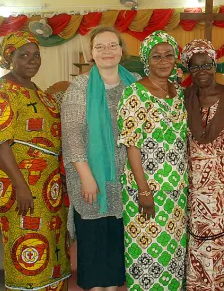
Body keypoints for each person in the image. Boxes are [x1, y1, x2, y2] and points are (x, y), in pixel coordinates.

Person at [0, 31, 70, 290]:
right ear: (10, 58)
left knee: (52, 240)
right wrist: (20, 185)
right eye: (24, 55)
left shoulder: (38, 91)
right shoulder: (0, 91)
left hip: (49, 183)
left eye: (36, 55)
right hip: (21, 180)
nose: (32, 60)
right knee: (27, 239)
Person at [61, 26, 138, 291]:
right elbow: (72, 137)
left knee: (119, 244)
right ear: (91, 53)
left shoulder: (137, 83)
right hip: (91, 180)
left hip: (129, 180)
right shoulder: (80, 86)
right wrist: (87, 178)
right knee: (94, 242)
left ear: (121, 50)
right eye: (100, 47)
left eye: (112, 45)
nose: (107, 51)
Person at [117, 30, 188, 290]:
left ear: (175, 58)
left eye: (168, 55)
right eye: (156, 56)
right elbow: (131, 145)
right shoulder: (134, 93)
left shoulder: (178, 92)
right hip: (147, 188)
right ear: (146, 59)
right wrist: (144, 190)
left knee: (173, 254)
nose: (163, 60)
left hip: (177, 190)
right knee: (147, 254)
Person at [181, 39, 224, 291]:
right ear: (189, 71)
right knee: (196, 240)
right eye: (195, 67)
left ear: (214, 65)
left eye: (206, 65)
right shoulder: (183, 99)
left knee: (222, 242)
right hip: (191, 183)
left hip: (223, 183)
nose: (202, 72)